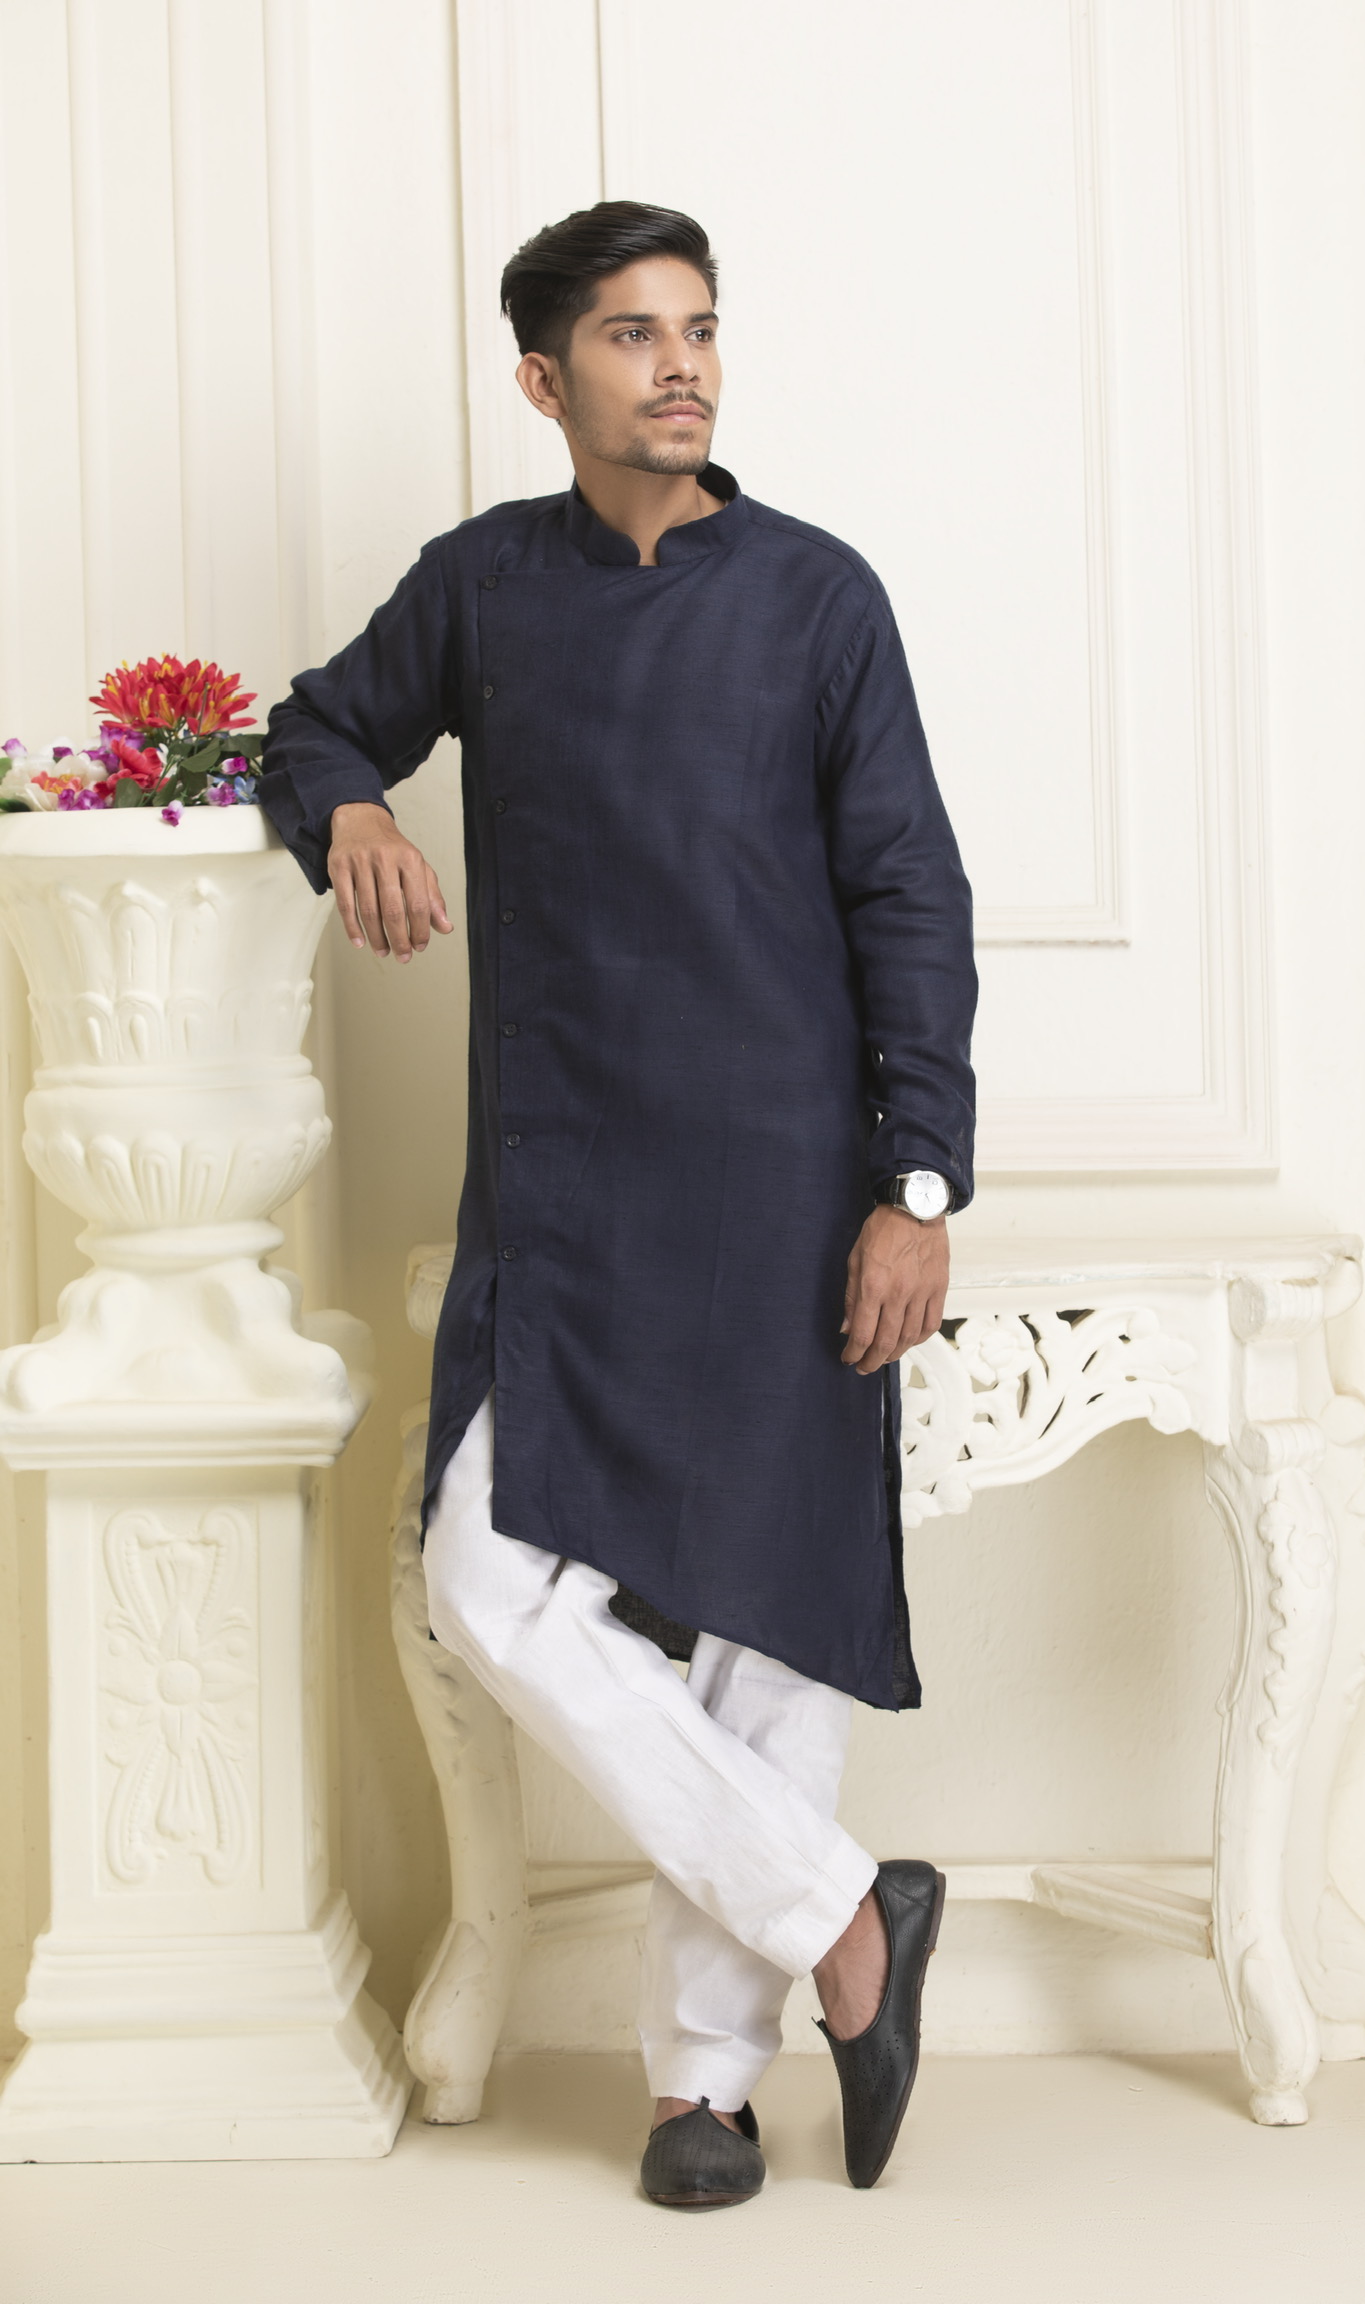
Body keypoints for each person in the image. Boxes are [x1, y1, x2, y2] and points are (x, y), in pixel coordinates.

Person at [258, 199, 978, 2210]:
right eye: (634, 335)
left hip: (789, 1191)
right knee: (486, 1582)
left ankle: (702, 2092)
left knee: (769, 1623)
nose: (681, 366)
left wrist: (916, 1184)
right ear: (542, 376)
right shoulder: (484, 589)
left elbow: (911, 897)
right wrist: (357, 805)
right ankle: (850, 1919)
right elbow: (312, 723)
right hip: (567, 1196)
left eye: (701, 329)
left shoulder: (818, 598)